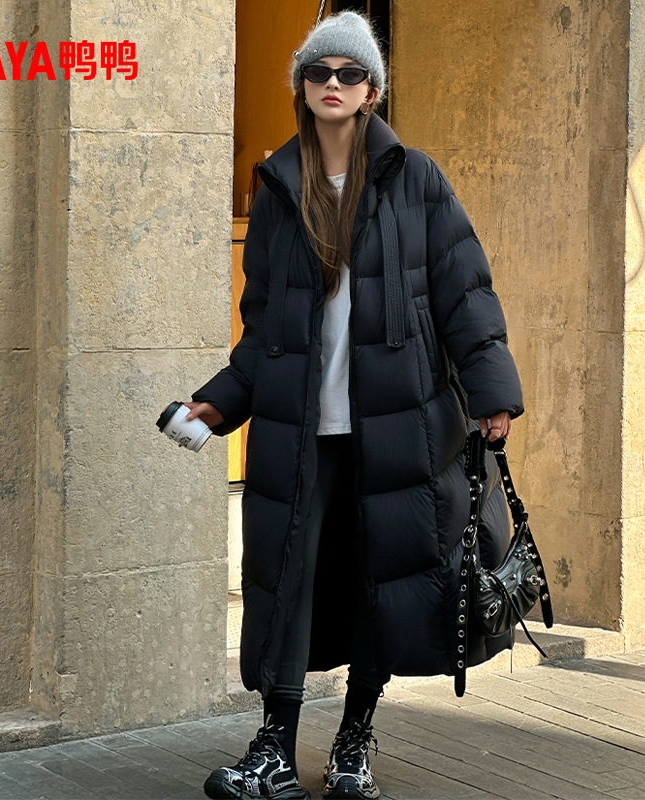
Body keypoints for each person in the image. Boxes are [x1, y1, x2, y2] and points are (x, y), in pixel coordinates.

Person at [185, 11, 522, 800]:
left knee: (383, 581)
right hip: (300, 432)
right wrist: (217, 405)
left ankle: (353, 743)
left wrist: (493, 395)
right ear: (302, 86)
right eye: (318, 72)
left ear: (372, 91)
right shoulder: (278, 186)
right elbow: (264, 330)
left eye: (349, 73)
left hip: (399, 426)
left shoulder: (416, 179)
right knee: (288, 583)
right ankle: (274, 748)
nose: (332, 84)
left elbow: (465, 293)